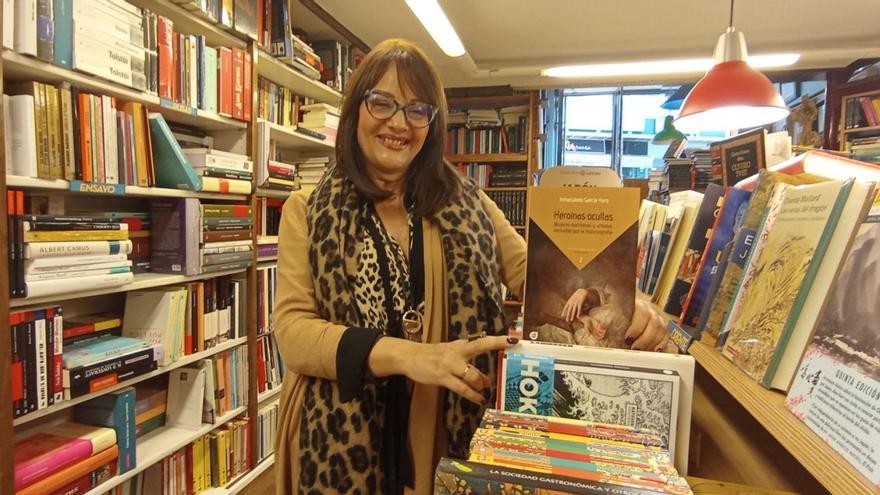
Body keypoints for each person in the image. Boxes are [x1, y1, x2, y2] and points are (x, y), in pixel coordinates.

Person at [272, 38, 671, 495]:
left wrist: (622, 301)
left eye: (418, 109)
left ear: (432, 124)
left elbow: (536, 273)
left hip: (444, 422)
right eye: (382, 102)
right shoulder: (307, 210)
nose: (398, 123)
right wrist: (411, 356)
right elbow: (294, 332)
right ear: (354, 112)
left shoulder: (471, 204)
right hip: (337, 433)